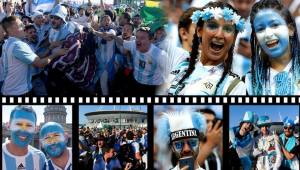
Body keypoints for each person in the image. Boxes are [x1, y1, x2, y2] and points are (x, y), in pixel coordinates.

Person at [167, 1, 246, 95]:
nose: (219, 35)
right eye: (213, 26)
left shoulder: (234, 86)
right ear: (199, 31)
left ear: (234, 37)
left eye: (228, 29)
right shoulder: (178, 60)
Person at [0, 16, 67, 96]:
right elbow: (40, 63)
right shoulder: (18, 45)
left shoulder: (7, 43)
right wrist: (56, 54)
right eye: (20, 25)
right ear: (10, 30)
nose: (24, 27)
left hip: (10, 89)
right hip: (17, 91)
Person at [245, 0, 300, 95]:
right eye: (260, 29)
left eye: (275, 25)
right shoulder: (247, 83)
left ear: (291, 29)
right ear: (256, 39)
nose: (268, 34)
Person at [113, 26, 168, 96]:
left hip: (153, 87)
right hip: (137, 82)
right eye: (137, 37)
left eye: (142, 38)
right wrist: (113, 36)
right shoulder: (133, 44)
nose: (138, 40)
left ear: (151, 40)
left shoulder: (160, 55)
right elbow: (123, 42)